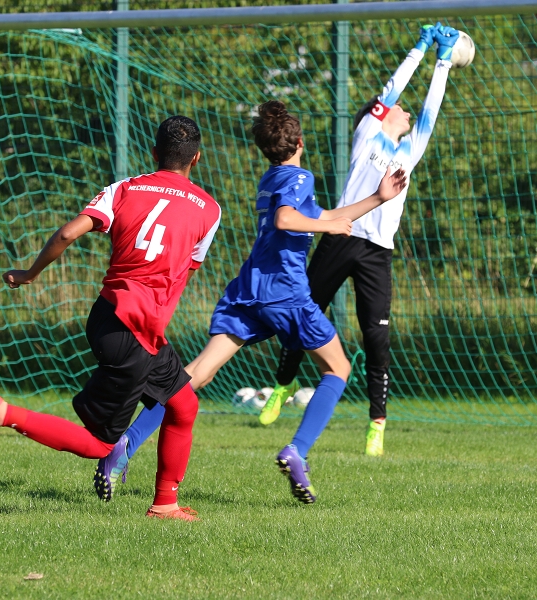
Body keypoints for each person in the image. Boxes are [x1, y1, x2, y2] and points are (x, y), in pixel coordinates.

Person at [95, 100, 407, 504]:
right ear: (300, 141)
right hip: (284, 290)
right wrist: (326, 226)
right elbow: (286, 219)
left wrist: (377, 198)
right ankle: (297, 451)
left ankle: (125, 444)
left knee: (196, 374)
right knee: (338, 368)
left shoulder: (272, 177)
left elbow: (323, 213)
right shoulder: (300, 177)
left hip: (249, 289)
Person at [0, 116, 222, 522]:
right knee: (99, 445)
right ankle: (1, 413)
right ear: (196, 158)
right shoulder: (209, 209)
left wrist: (29, 273)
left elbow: (66, 234)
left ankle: (165, 504)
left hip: (112, 317)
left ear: (153, 153)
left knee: (183, 404)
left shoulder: (124, 189)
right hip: (134, 330)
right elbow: (188, 265)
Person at [256, 23, 460, 457]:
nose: (405, 110)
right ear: (381, 114)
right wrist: (420, 47)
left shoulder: (410, 151)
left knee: (376, 337)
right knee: (302, 310)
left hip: (377, 251)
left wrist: (443, 62)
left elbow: (431, 109)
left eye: (405, 109)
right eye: (398, 107)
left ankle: (376, 423)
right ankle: (283, 384)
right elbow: (392, 89)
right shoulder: (367, 134)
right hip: (341, 235)